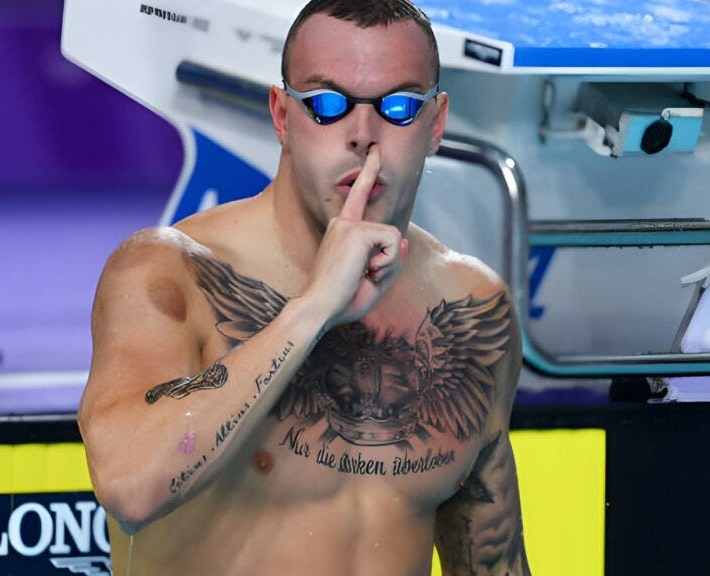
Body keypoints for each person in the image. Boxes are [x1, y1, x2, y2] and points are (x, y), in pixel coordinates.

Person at [78, 0, 530, 573]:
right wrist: (312, 309)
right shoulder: (171, 273)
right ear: (281, 115)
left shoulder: (470, 302)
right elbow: (129, 487)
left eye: (397, 107)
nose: (363, 136)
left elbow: (491, 559)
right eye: (326, 105)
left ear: (435, 124)